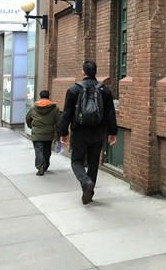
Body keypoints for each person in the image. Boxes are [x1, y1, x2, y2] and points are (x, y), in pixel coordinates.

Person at [58, 60, 117, 204]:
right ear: (95, 72)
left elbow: (67, 113)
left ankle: (85, 182)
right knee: (93, 162)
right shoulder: (105, 90)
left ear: (83, 72)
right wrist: (113, 132)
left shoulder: (74, 90)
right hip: (98, 132)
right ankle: (89, 193)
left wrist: (63, 132)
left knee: (76, 161)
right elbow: (110, 113)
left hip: (80, 132)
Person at [26, 90, 60, 176]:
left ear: (40, 96)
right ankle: (45, 165)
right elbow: (58, 121)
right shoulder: (55, 109)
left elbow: (28, 119)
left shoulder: (33, 108)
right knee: (47, 151)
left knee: (39, 151)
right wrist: (57, 133)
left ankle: (40, 167)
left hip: (37, 134)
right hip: (49, 133)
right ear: (49, 96)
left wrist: (32, 127)